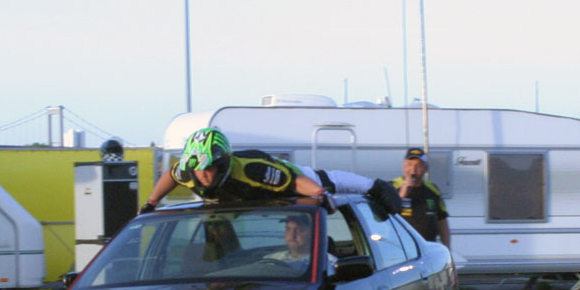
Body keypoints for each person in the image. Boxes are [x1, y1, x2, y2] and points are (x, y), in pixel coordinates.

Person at [139, 127, 401, 215]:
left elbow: (297, 181)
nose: (202, 175)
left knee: (325, 180)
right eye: (198, 170)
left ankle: (375, 186)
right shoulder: (188, 170)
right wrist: (151, 202)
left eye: (209, 169)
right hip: (240, 202)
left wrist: (320, 194)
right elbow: (170, 176)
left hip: (287, 177)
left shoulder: (254, 171)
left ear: (223, 164)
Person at [392, 148, 451, 248]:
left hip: (427, 248)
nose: (413, 170)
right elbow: (381, 215)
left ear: (426, 168)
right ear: (404, 166)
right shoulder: (392, 186)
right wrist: (401, 195)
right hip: (400, 249)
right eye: (410, 165)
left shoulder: (433, 190)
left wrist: (448, 250)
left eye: (418, 166)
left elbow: (442, 221)